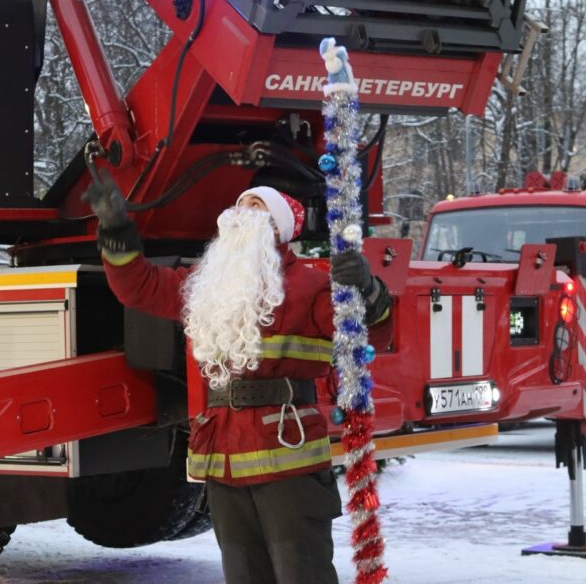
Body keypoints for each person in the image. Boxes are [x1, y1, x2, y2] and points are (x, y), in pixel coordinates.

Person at [84, 173, 391, 584]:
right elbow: (137, 286)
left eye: (257, 208)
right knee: (243, 574)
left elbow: (369, 337)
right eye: (240, 204)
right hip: (223, 458)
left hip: (287, 460)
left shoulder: (311, 287)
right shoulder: (204, 287)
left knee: (301, 573)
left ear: (278, 229)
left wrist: (370, 293)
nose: (241, 213)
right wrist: (117, 231)